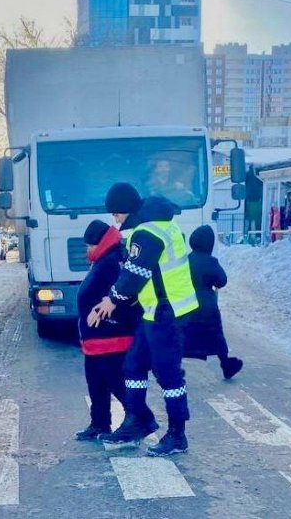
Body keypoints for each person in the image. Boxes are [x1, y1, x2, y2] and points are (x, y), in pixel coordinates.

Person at [90, 195, 198, 457]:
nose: (114, 219)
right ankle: (136, 420)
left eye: (117, 213)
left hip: (166, 312)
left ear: (128, 211)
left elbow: (136, 273)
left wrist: (111, 300)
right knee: (134, 365)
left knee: (168, 374)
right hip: (156, 310)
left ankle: (177, 434)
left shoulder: (147, 232)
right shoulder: (163, 226)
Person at [75, 220, 140, 441]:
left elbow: (122, 296)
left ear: (99, 243)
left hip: (110, 337)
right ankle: (100, 423)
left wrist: (103, 314)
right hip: (96, 339)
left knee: (116, 382)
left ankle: (140, 419)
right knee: (96, 382)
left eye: (89, 245)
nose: (87, 250)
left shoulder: (112, 263)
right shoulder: (104, 259)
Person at [183, 225, 243, 379]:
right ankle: (226, 364)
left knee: (183, 335)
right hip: (207, 307)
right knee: (216, 335)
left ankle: (174, 367)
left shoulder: (185, 260)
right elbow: (221, 281)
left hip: (186, 304)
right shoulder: (211, 262)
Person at [104, 182, 143, 248]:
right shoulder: (142, 227)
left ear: (126, 209)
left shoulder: (140, 233)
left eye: (116, 215)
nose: (117, 221)